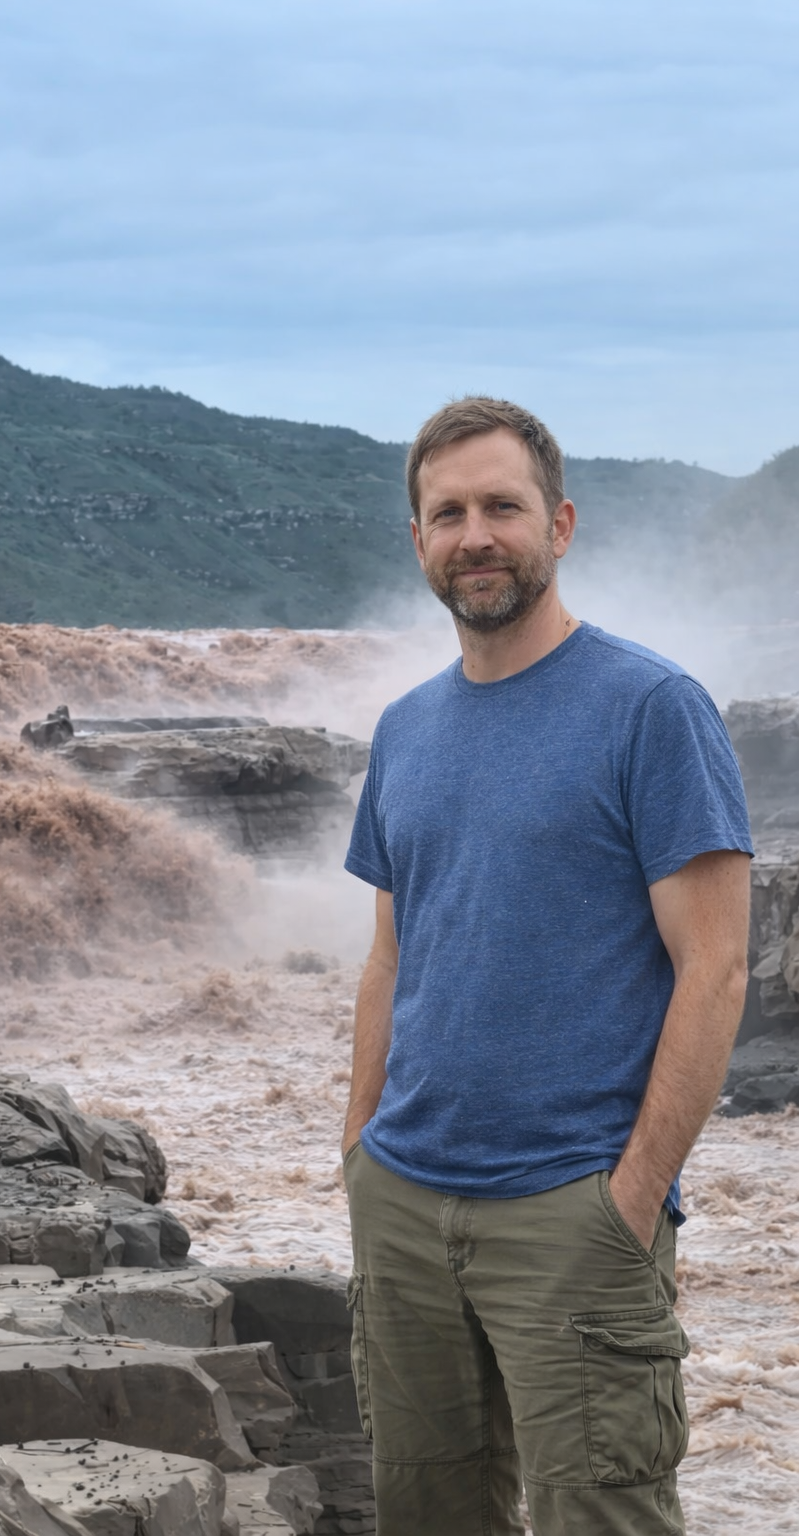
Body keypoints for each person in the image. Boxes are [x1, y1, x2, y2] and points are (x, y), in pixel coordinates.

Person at [342, 396, 753, 1536]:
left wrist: (627, 1203)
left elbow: (715, 970)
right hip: (405, 1205)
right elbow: (389, 954)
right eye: (448, 512)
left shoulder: (649, 709)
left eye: (501, 507)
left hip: (571, 1214)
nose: (476, 534)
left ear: (559, 525)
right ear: (418, 541)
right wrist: (356, 1149)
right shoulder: (403, 730)